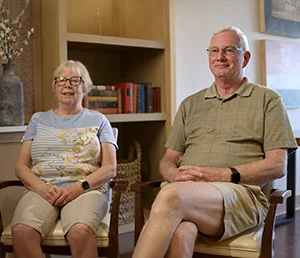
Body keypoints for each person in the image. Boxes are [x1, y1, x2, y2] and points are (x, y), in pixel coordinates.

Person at [132, 26, 298, 258]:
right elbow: (168, 160)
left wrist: (222, 174)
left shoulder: (268, 100)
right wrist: (174, 175)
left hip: (240, 196)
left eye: (229, 50)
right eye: (214, 50)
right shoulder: (191, 104)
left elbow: (277, 166)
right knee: (183, 231)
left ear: (245, 58)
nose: (219, 57)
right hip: (186, 193)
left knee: (170, 196)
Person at [11, 60, 117, 258]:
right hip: (44, 189)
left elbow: (110, 168)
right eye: (61, 80)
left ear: (85, 88)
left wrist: (80, 187)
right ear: (55, 87)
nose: (67, 84)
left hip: (86, 190)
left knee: (80, 231)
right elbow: (21, 167)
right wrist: (42, 188)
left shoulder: (99, 120)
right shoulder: (38, 119)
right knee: (22, 232)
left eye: (75, 80)